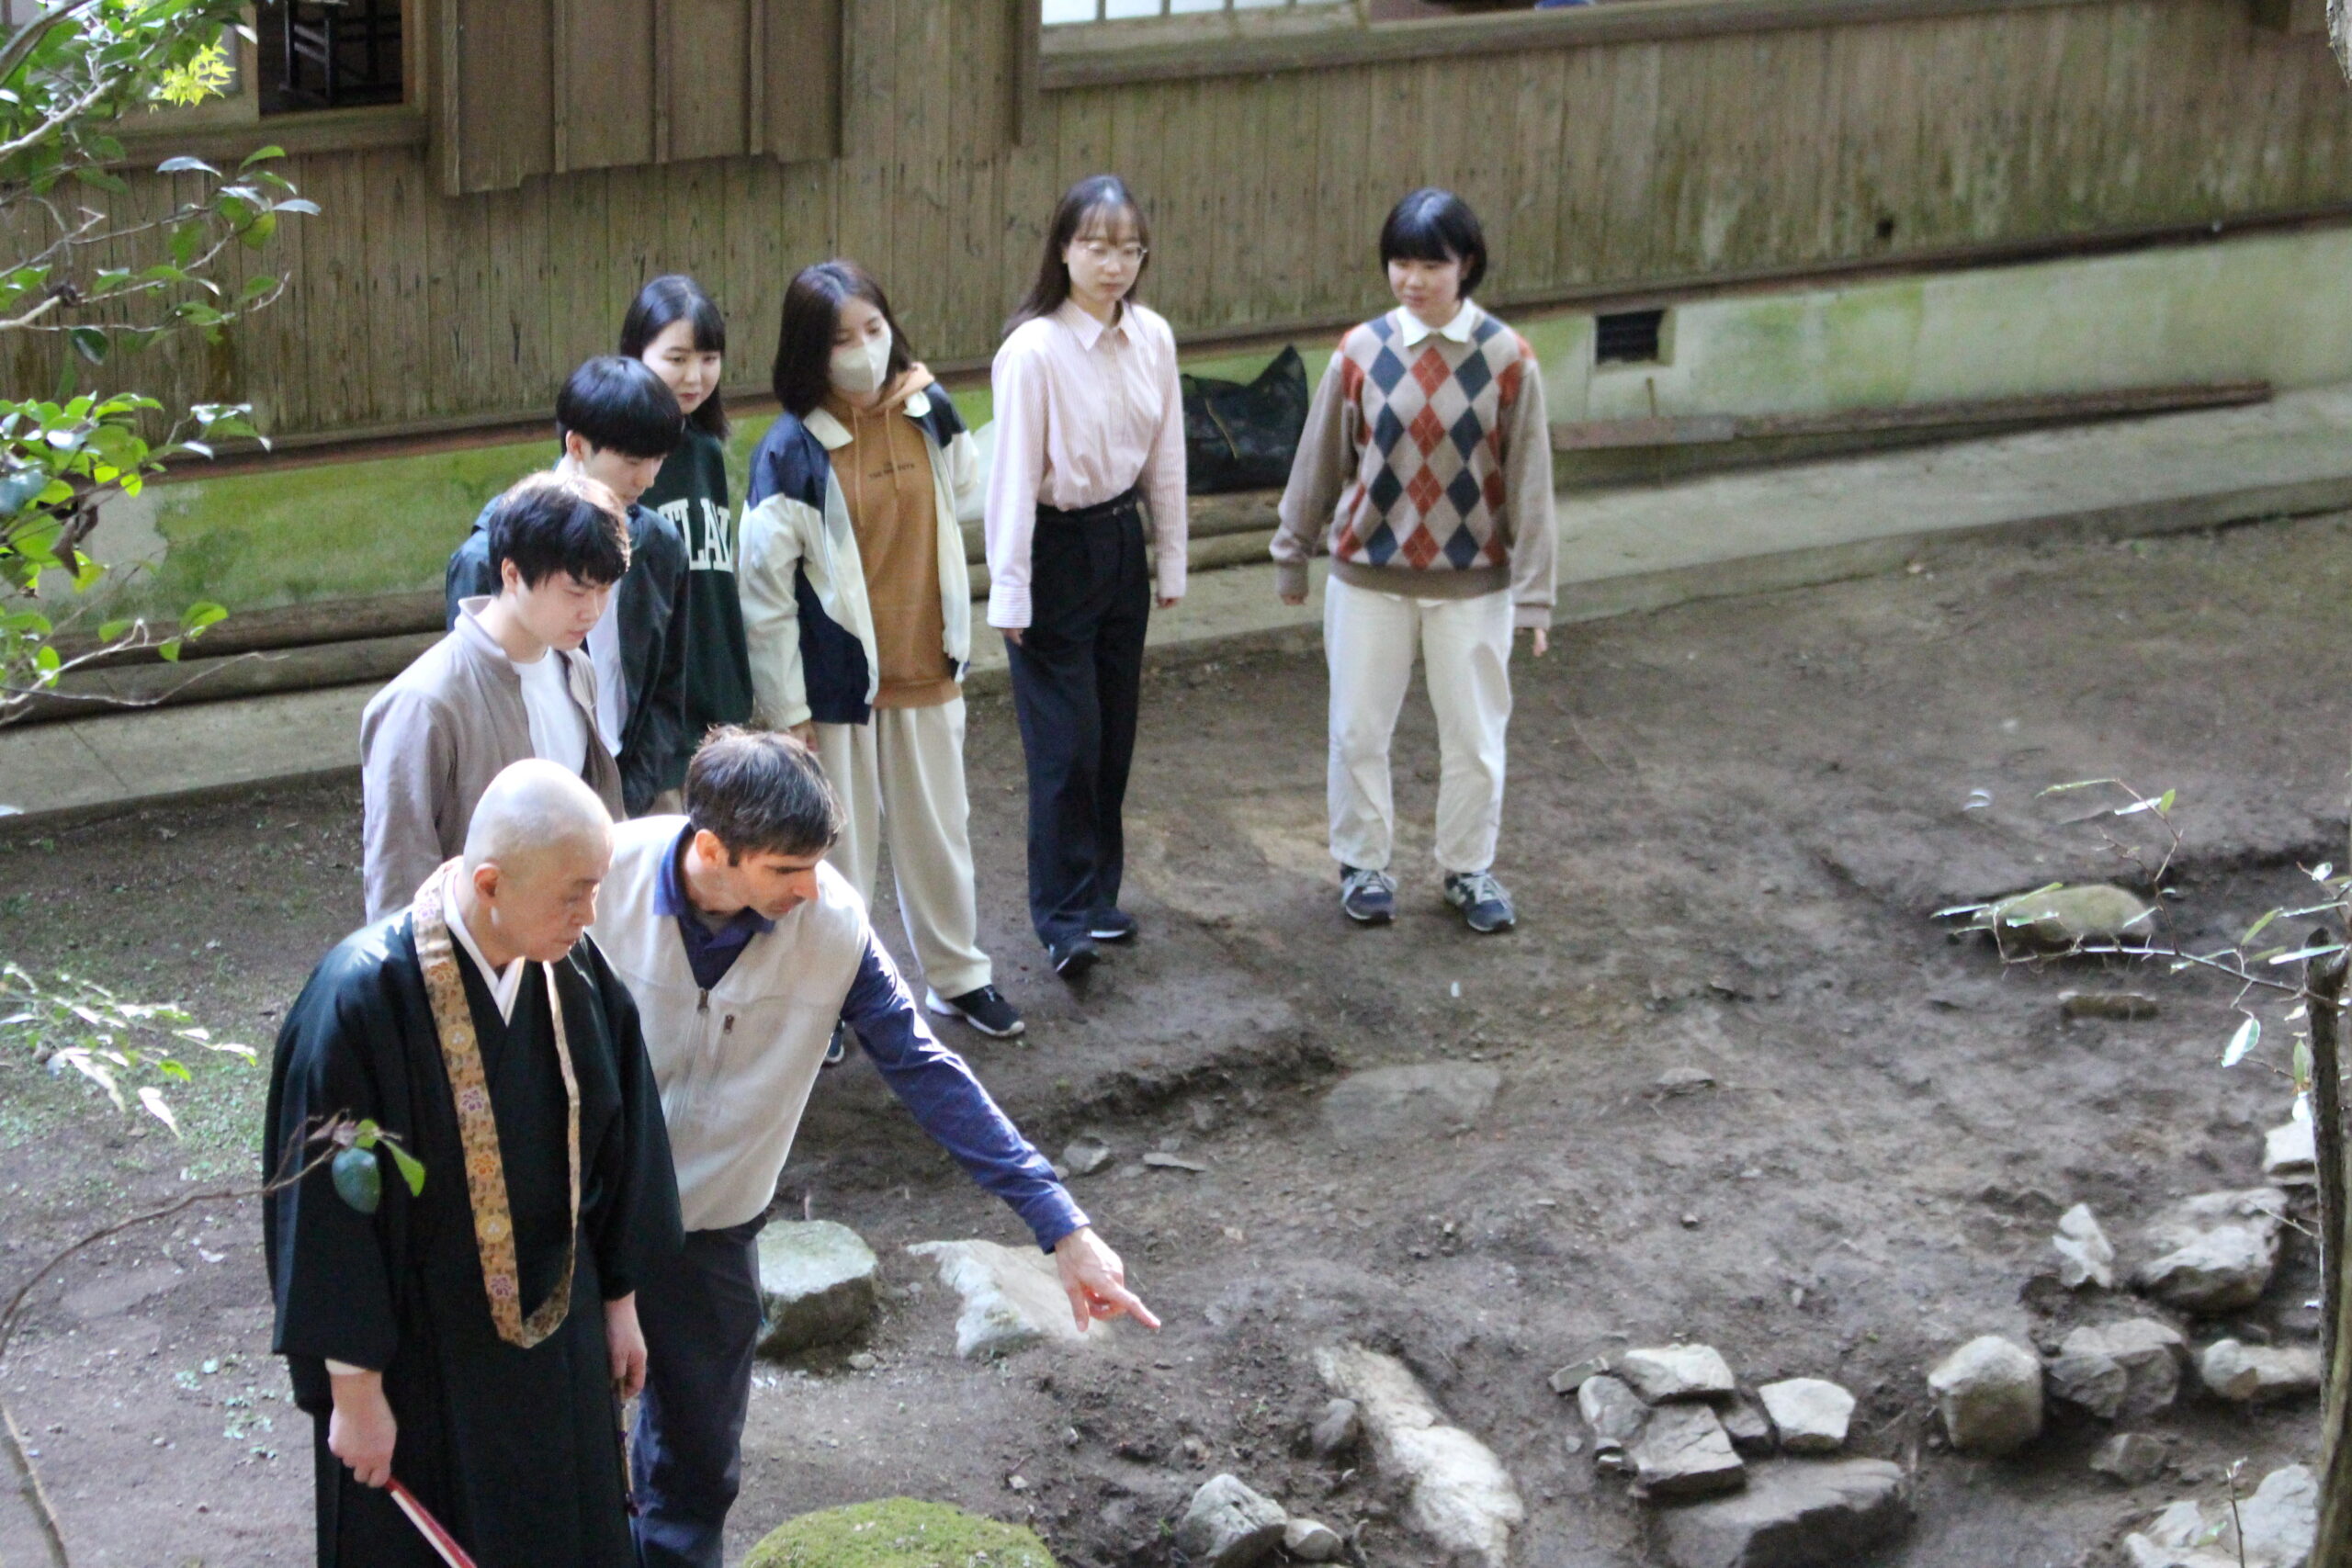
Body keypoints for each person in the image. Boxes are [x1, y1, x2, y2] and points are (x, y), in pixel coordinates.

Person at [592, 728, 1157, 1568]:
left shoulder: (834, 926)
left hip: (711, 1224)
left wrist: (1060, 1226)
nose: (811, 888)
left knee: (699, 1467)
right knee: (566, 1455)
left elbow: (930, 1072)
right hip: (582, 1219)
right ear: (713, 848)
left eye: (818, 863)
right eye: (787, 869)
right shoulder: (599, 881)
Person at [265, 761, 682, 1568]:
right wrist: (354, 1394)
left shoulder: (576, 971)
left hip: (559, 1339)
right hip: (423, 1360)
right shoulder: (359, 998)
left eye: (596, 888)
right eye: (573, 893)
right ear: (490, 881)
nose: (589, 913)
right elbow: (326, 1218)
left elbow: (620, 1141)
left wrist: (620, 1302)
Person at [740, 259, 1022, 1042]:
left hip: (928, 667)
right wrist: (787, 709)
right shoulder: (790, 451)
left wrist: (934, 401)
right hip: (837, 692)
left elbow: (969, 488)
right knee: (838, 855)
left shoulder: (927, 413)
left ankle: (959, 977)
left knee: (942, 831)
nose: (863, 349)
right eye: (841, 339)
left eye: (873, 329)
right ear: (808, 352)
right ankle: (826, 998)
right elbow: (764, 597)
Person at [1271, 187, 1557, 933]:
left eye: (1432, 263)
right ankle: (1363, 864)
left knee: (1475, 736)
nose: (1413, 279)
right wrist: (1291, 551)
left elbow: (1531, 484)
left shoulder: (1508, 360)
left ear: (1467, 266)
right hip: (1367, 577)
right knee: (1358, 728)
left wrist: (1535, 597)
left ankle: (1469, 870)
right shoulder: (1361, 351)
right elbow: (1319, 460)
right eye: (1401, 261)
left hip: (1474, 586)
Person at [986, 174, 1188, 979]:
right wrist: (1009, 588)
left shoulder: (1155, 338)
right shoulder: (1032, 350)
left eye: (1128, 248)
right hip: (1054, 548)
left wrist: (1169, 554)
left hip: (1118, 543)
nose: (1113, 264)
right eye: (1095, 246)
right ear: (1063, 250)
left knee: (1112, 733)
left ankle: (1099, 895)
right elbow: (1010, 480)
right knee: (1063, 744)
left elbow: (1167, 458)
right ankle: (1061, 915)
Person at [361, 471, 630, 922]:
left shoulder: (576, 668)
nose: (593, 611)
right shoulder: (423, 703)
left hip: (565, 944)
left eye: (604, 590)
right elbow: (397, 877)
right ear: (511, 573)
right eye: (576, 590)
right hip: (467, 955)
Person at [447, 355, 692, 817]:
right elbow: (470, 695)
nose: (649, 478)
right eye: (633, 460)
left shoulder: (659, 545)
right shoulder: (489, 556)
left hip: (628, 788)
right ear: (577, 445)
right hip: (524, 799)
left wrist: (629, 791)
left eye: (659, 459)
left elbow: (668, 686)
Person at [623, 276, 757, 751]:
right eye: (676, 360)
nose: (695, 377)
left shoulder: (705, 450)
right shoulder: (619, 460)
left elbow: (715, 588)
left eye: (709, 359)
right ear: (637, 354)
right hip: (652, 716)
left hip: (716, 703)